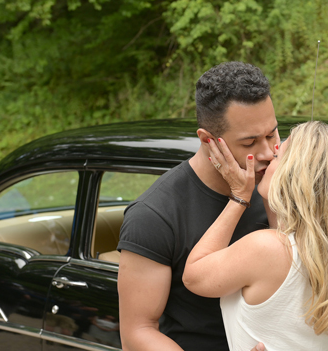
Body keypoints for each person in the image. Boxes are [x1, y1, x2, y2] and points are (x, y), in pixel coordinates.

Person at [183, 121, 328, 351]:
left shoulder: (267, 248)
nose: (267, 159)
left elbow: (194, 276)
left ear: (293, 176)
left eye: (277, 156)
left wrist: (239, 197)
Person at [117, 62, 280, 351]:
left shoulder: (275, 187)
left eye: (272, 134)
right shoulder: (154, 215)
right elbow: (137, 332)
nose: (268, 152)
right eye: (250, 143)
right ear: (208, 140)